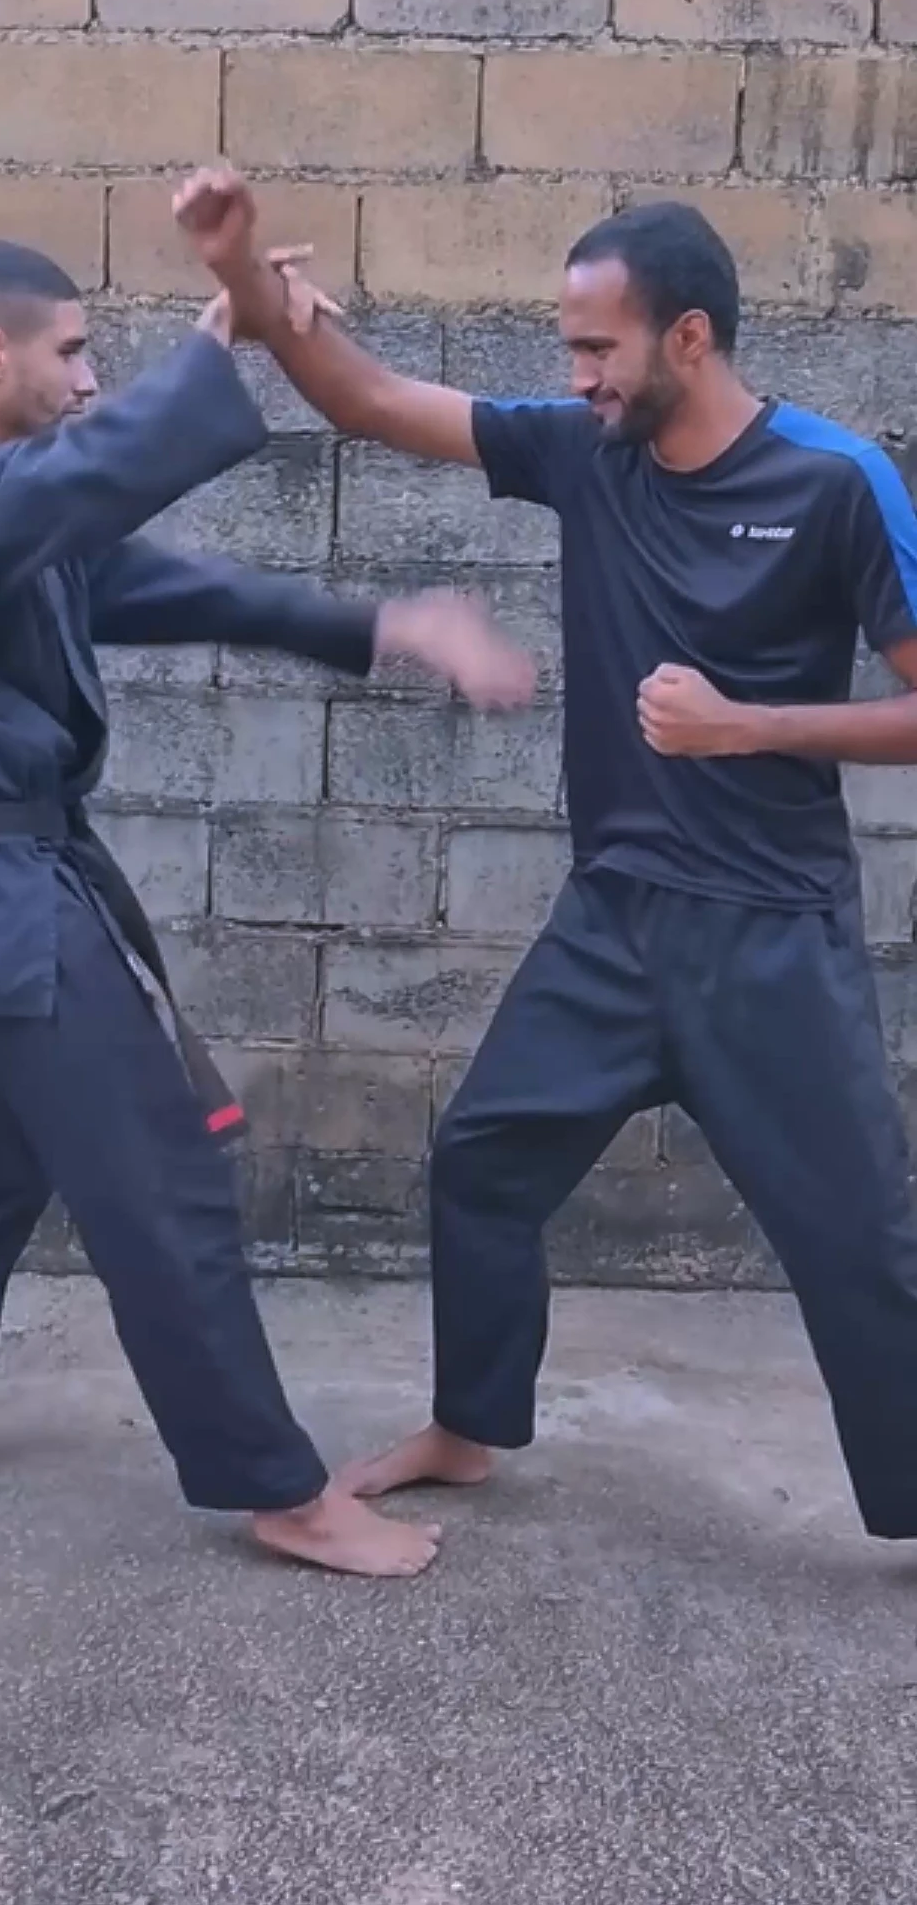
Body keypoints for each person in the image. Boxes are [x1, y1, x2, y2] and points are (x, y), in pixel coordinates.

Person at [174, 168, 917, 1543]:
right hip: (613, 921)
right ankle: (468, 1429)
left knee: (859, 1244)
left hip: (768, 931)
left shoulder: (834, 481)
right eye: (567, 348)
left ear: (687, 336)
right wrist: (256, 299)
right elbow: (372, 402)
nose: (574, 375)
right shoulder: (589, 451)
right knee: (481, 1161)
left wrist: (749, 726)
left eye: (594, 348)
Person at [0, 233, 538, 1578]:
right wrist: (227, 336)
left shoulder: (1, 517)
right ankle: (280, 1492)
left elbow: (177, 585)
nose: (88, 379)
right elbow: (90, 474)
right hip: (0, 906)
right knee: (167, 1183)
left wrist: (389, 624)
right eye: (70, 351)